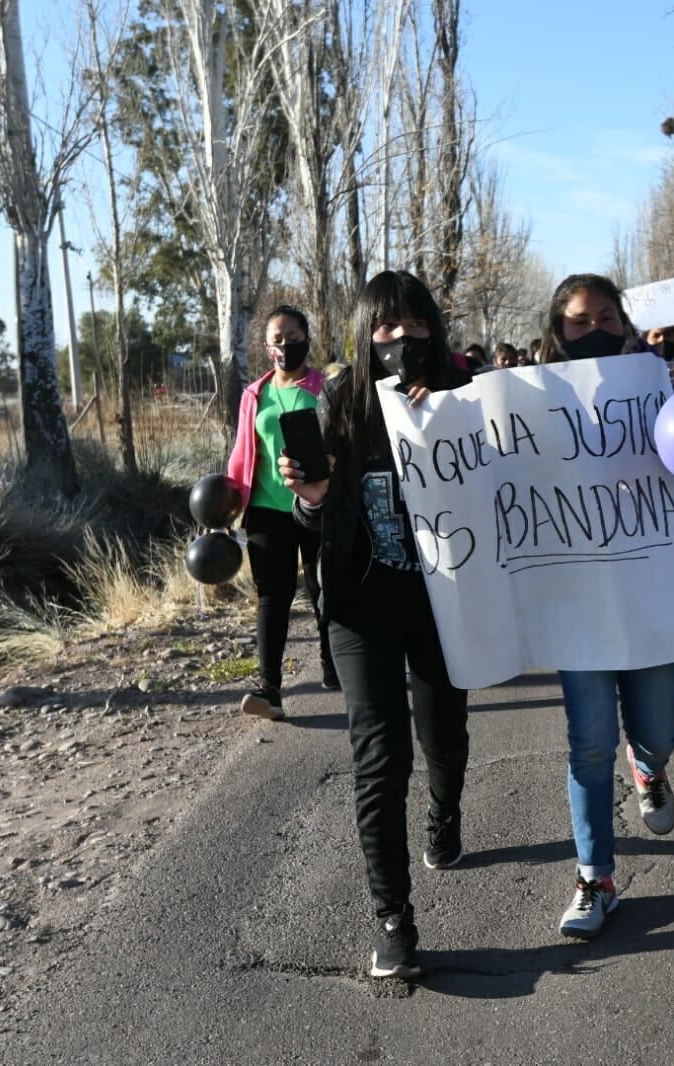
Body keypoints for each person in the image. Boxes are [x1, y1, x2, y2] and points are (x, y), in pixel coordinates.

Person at [279, 270, 471, 980]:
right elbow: (313, 514)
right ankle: (393, 917)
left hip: (445, 600)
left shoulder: (466, 391)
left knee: (443, 732)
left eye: (415, 324)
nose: (402, 338)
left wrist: (451, 412)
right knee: (381, 755)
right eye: (385, 327)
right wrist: (311, 497)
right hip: (361, 602)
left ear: (434, 329)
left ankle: (444, 815)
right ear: (364, 334)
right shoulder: (339, 400)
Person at [537, 272, 674, 939]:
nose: (589, 328)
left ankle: (649, 767)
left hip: (651, 591)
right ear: (555, 329)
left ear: (623, 322)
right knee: (588, 742)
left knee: (656, 729)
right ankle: (594, 878)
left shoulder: (658, 388)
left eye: (602, 316)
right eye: (575, 319)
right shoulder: (524, 400)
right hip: (576, 602)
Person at [224, 305, 334, 720]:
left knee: (323, 587)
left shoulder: (325, 389)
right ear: (267, 347)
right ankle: (269, 687)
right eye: (278, 339)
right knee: (273, 595)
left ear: (307, 338)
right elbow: (241, 453)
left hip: (316, 502)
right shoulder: (255, 394)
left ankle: (331, 660)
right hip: (267, 508)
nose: (286, 345)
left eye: (293, 336)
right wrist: (229, 504)